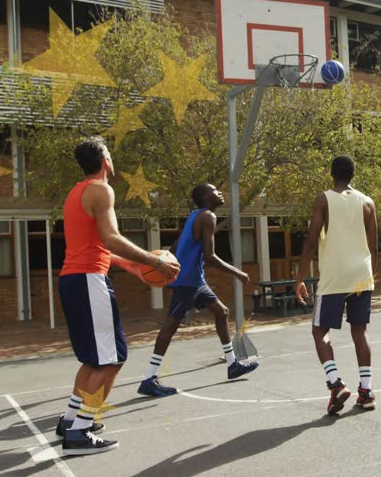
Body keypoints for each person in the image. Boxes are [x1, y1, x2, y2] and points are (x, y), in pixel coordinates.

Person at [56, 137, 179, 455]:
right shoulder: (101, 188)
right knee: (112, 359)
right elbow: (111, 238)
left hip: (75, 278)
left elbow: (96, 246)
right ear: (105, 161)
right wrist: (155, 263)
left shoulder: (76, 192)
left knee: (93, 360)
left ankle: (71, 420)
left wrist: (133, 267)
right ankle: (80, 431)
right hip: (88, 281)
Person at [137, 183, 259, 397]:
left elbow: (176, 246)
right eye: (214, 190)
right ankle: (149, 378)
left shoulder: (195, 215)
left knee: (222, 312)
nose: (220, 192)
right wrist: (237, 273)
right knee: (170, 326)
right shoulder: (207, 217)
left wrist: (166, 262)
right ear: (205, 197)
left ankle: (232, 365)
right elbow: (210, 257)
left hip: (195, 280)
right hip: (187, 281)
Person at [294, 156, 378, 415]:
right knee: (359, 332)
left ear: (332, 174)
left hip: (334, 276)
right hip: (362, 274)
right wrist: (368, 272)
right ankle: (366, 392)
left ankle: (335, 384)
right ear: (353, 174)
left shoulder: (324, 199)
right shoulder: (367, 202)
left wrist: (299, 277)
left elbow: (310, 241)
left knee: (319, 331)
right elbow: (373, 245)